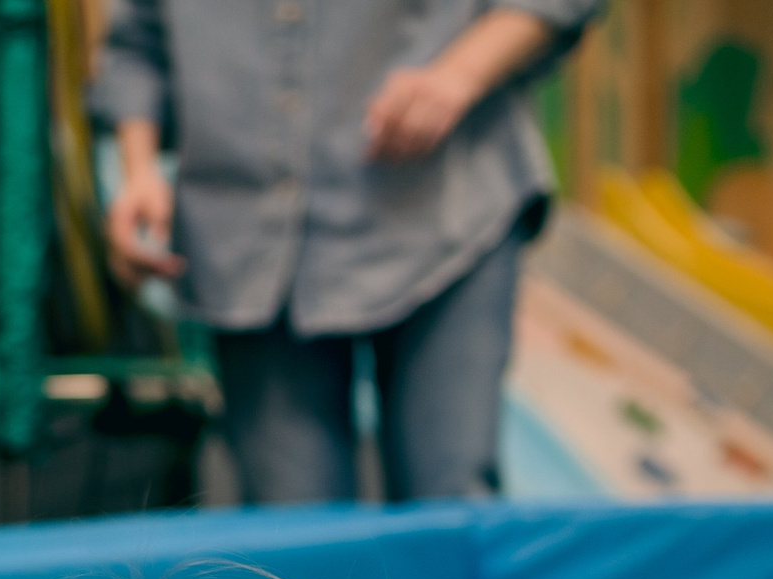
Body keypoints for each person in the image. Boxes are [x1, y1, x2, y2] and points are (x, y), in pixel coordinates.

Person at [98, 0, 598, 503]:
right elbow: (136, 44)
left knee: (450, 512)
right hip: (247, 246)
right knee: (293, 538)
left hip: (445, 207)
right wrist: (137, 173)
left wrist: (458, 76)